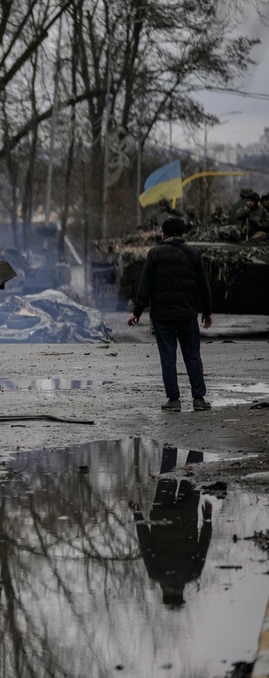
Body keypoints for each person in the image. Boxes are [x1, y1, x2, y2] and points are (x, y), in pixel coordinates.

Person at [127, 216, 213, 411]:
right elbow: (204, 286)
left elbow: (145, 286)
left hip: (162, 316)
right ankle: (199, 399)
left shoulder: (155, 254)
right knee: (192, 356)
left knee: (168, 357)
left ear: (163, 233)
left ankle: (173, 400)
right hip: (187, 315)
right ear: (182, 234)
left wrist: (137, 312)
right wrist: (207, 312)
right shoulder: (193, 254)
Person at [131, 447, 212, 608]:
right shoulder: (155, 574)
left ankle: (197, 439)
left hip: (187, 515)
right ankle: (170, 441)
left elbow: (204, 544)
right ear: (164, 593)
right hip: (162, 514)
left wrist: (207, 519)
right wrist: (137, 514)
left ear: (180, 593)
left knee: (192, 474)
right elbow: (145, 543)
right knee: (167, 474)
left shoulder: (192, 574)